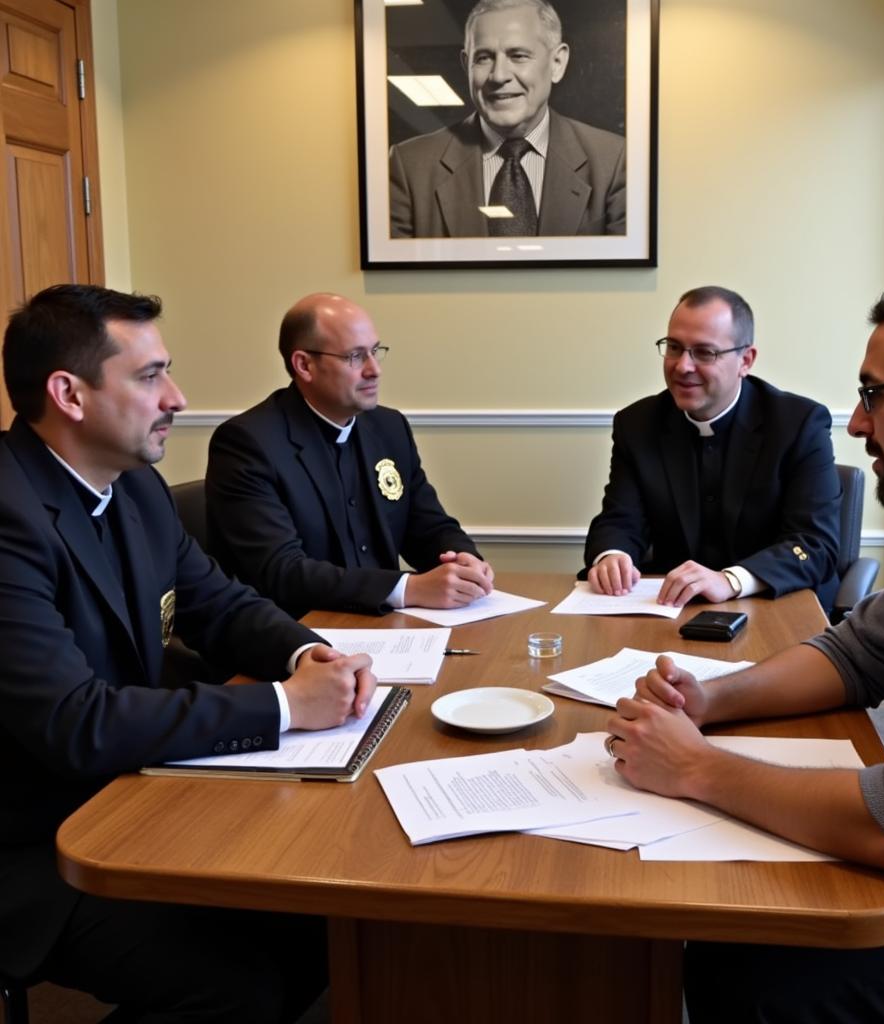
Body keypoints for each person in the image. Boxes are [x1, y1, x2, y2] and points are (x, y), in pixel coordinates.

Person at [608, 273, 884, 1022]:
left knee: (750, 977)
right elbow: (856, 653)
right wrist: (711, 700)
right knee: (727, 929)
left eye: (874, 395)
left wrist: (695, 766)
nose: (859, 427)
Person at [0, 284, 378, 1021]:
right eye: (150, 377)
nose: (176, 397)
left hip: (135, 796)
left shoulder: (135, 488)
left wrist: (309, 656)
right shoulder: (8, 517)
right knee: (240, 986)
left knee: (319, 928)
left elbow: (220, 604)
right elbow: (78, 722)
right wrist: (281, 707)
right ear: (68, 394)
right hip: (34, 847)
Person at [206, 292, 493, 617]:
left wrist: (464, 560)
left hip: (388, 628)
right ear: (304, 365)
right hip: (297, 636)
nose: (374, 370)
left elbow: (427, 525)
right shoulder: (248, 443)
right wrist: (407, 589)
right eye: (355, 357)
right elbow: (281, 571)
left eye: (375, 351)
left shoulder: (389, 427)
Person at [583, 285, 842, 610]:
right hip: (673, 609)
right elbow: (620, 520)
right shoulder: (637, 424)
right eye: (674, 348)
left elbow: (815, 544)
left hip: (776, 604)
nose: (682, 366)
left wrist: (731, 580)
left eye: (704, 352)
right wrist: (613, 556)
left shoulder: (799, 424)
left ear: (745, 360)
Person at [388, 0, 626, 238]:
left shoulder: (615, 161)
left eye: (518, 56)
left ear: (557, 63)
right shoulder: (408, 166)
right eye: (483, 58)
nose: (499, 75)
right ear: (465, 65)